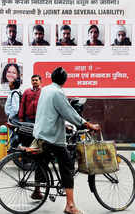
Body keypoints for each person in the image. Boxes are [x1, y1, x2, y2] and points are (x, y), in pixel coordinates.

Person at [33, 67, 100, 211]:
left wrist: (64, 125)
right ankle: (70, 205)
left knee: (42, 160)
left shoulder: (45, 89)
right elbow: (69, 112)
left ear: (52, 78)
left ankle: (37, 190)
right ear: (64, 80)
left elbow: (51, 111)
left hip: (40, 132)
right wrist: (88, 125)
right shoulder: (58, 92)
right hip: (51, 136)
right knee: (68, 166)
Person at [4, 79, 21, 148]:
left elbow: (15, 109)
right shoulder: (14, 92)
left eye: (10, 83)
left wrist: (10, 117)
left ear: (13, 85)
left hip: (13, 119)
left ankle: (14, 153)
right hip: (13, 118)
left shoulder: (15, 94)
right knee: (13, 136)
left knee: (13, 136)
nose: (9, 84)